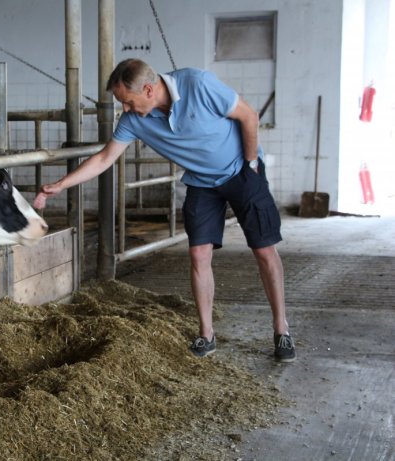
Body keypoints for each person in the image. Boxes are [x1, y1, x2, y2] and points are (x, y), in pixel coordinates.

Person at [33, 58, 296, 362]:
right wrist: (61, 184)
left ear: (148, 89)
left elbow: (248, 116)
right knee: (198, 253)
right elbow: (105, 158)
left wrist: (252, 166)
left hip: (242, 169)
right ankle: (206, 334)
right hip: (202, 182)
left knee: (264, 251)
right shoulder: (134, 120)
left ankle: (281, 329)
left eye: (127, 102)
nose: (125, 110)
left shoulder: (198, 84)